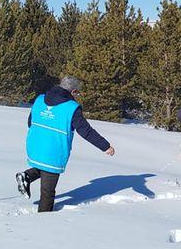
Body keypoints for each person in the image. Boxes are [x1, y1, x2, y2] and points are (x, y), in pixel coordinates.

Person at [15, 76, 115, 212]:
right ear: (73, 91)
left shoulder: (39, 99)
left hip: (34, 145)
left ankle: (26, 176)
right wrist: (105, 146)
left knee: (42, 168)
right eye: (77, 93)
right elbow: (86, 131)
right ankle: (42, 221)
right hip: (54, 150)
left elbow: (30, 122)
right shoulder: (71, 108)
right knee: (47, 192)